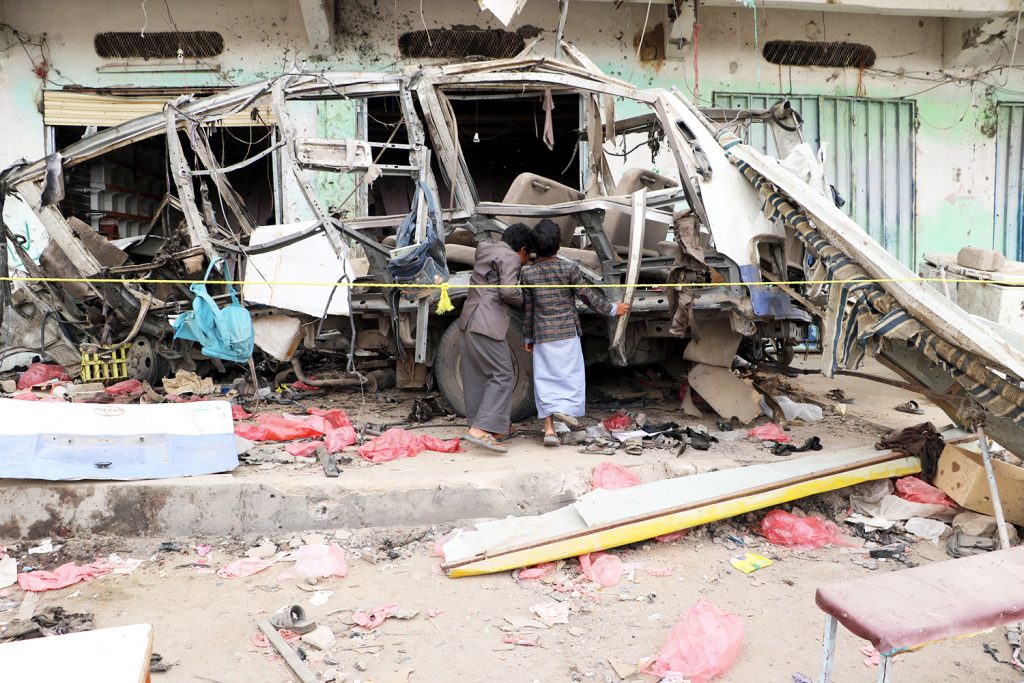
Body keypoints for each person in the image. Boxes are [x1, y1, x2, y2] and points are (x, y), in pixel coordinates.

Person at [522, 219, 629, 447]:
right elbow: (586, 296)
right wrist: (612, 309)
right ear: (559, 245)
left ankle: (550, 429)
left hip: (542, 336)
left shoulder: (528, 274)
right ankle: (567, 415)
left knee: (545, 380)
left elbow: (528, 309)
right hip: (567, 334)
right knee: (569, 378)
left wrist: (528, 337)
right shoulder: (568, 268)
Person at [457, 222, 532, 453]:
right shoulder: (510, 257)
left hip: (468, 318)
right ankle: (481, 430)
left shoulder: (485, 249)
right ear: (522, 250)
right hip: (487, 322)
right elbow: (509, 291)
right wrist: (529, 301)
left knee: (477, 374)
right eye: (528, 256)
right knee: (502, 374)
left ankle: (491, 427)